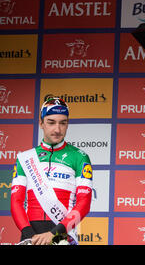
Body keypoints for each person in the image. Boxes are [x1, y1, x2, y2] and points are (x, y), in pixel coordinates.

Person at [10, 97, 93, 245]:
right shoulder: (25, 158)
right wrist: (29, 235)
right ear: (41, 123)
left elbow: (84, 202)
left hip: (62, 234)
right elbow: (16, 201)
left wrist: (54, 234)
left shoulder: (80, 157)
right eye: (51, 122)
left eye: (63, 123)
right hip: (30, 235)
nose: (57, 129)